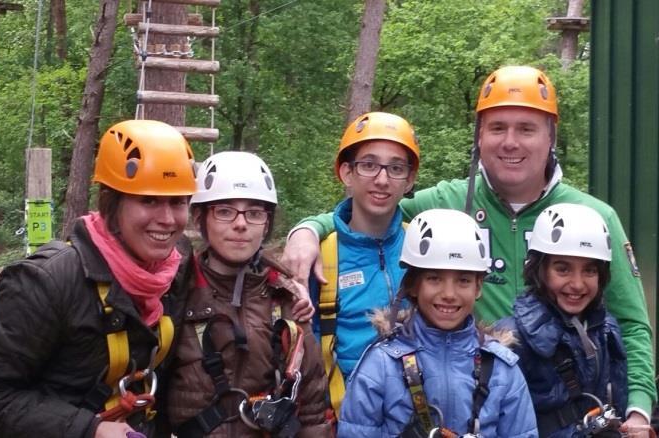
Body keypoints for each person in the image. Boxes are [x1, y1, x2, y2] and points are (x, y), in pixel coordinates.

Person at [280, 65, 656, 429]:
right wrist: (309, 229)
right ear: (479, 136)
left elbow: (633, 325)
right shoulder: (449, 203)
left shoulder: (592, 217)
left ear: (550, 136)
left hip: (568, 411)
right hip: (478, 409)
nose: (510, 142)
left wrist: (638, 409)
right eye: (497, 128)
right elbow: (374, 212)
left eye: (526, 128)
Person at [0, 120, 198, 437]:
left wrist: (302, 234)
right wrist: (90, 429)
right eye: (149, 200)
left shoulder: (176, 266)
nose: (167, 220)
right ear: (112, 203)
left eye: (178, 202)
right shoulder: (47, 282)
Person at [167, 151, 333, 437]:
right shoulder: (174, 290)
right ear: (199, 217)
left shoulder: (287, 300)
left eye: (254, 213)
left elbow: (312, 408)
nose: (241, 223)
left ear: (266, 223)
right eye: (225, 211)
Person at [338, 208, 537, 437]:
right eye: (434, 279)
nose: (449, 294)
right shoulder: (381, 365)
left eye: (463, 280)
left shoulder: (501, 369)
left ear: (478, 287)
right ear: (413, 285)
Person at [495, 203, 636, 437]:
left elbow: (617, 400)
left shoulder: (606, 330)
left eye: (589, 271)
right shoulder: (512, 339)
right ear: (540, 270)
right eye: (563, 269)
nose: (578, 284)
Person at [313, 111, 418, 417]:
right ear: (347, 172)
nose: (382, 179)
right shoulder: (322, 255)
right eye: (369, 165)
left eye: (396, 168)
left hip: (418, 414)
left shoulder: (423, 247)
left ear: (409, 179)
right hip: (345, 414)